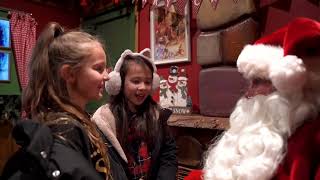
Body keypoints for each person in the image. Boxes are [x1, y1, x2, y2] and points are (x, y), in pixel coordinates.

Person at [186, 17, 320, 180]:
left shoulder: (308, 141)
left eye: (257, 82)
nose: (248, 93)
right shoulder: (270, 132)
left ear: (287, 83)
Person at [1, 22, 128, 180]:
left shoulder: (81, 119)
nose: (107, 76)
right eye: (98, 68)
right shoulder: (64, 129)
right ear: (69, 74)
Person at [92, 48, 177, 180]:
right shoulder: (105, 120)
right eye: (136, 81)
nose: (143, 87)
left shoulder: (157, 114)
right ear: (119, 83)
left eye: (148, 82)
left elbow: (168, 153)